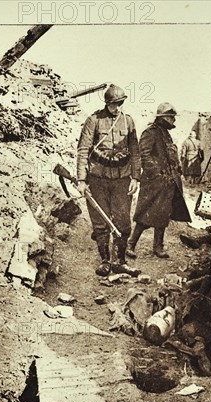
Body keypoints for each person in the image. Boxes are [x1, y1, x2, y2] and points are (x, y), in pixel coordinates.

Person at [76, 84, 141, 277]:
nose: (118, 107)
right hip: (98, 180)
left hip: (122, 179)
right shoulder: (93, 120)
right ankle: (105, 261)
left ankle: (120, 261)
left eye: (121, 103)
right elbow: (82, 150)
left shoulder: (128, 122)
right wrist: (81, 179)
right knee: (101, 222)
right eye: (114, 104)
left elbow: (135, 152)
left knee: (123, 222)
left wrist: (136, 177)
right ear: (107, 103)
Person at [127, 102, 191, 259]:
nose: (174, 121)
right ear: (164, 118)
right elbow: (144, 155)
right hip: (154, 182)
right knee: (146, 214)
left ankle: (158, 246)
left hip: (168, 183)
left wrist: (177, 169)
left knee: (164, 214)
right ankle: (131, 244)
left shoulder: (165, 133)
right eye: (171, 117)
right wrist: (157, 172)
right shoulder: (151, 133)